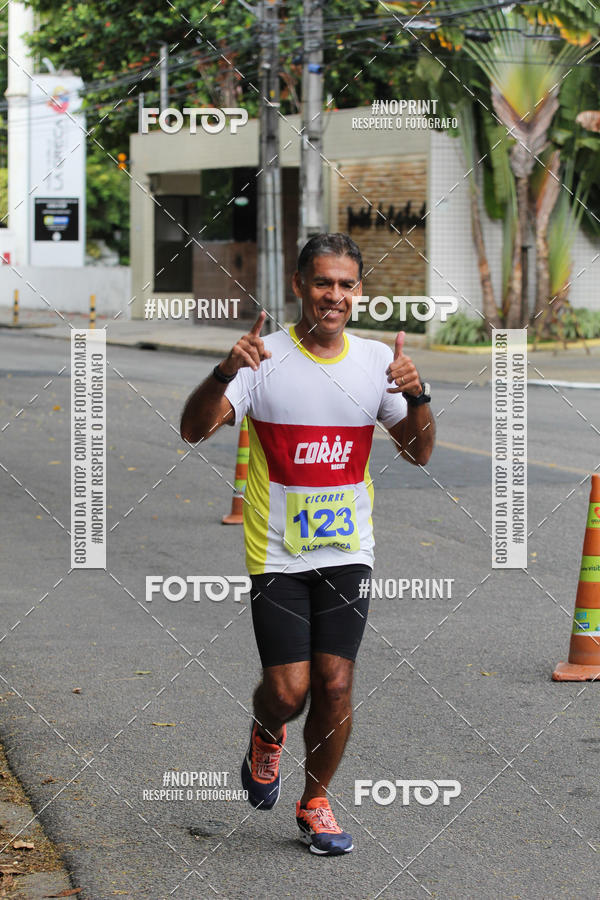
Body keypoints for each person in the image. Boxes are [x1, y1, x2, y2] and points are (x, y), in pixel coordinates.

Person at [180, 233, 435, 856]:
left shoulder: (376, 362)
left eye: (347, 285)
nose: (335, 296)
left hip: (348, 551)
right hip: (278, 553)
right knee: (288, 692)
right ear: (299, 285)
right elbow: (193, 429)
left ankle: (315, 801)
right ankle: (267, 731)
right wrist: (224, 372)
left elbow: (418, 452)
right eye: (323, 282)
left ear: (359, 291)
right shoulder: (263, 357)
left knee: (336, 683)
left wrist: (417, 394)